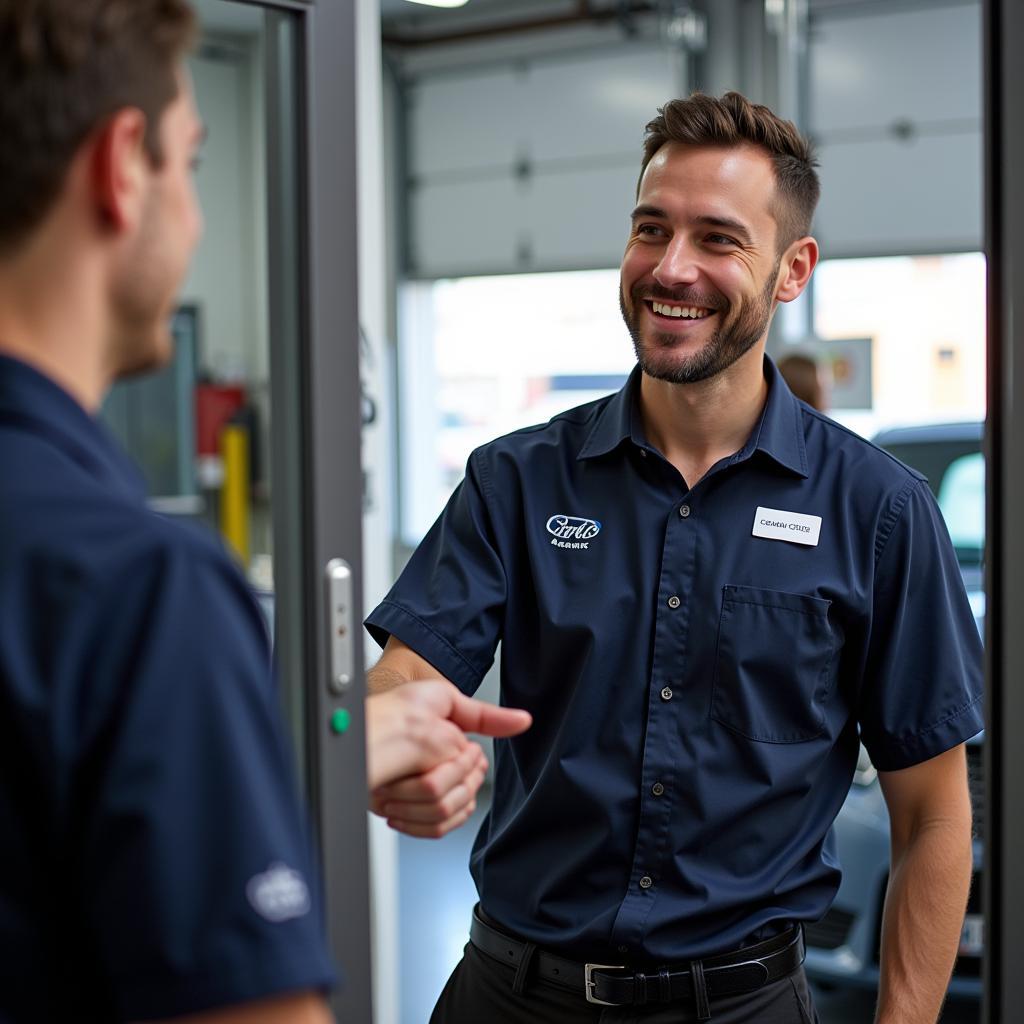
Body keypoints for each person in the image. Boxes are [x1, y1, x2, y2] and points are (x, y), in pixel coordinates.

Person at [366, 91, 983, 1023]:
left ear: (791, 270)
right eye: (650, 229)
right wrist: (395, 746)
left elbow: (933, 813)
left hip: (742, 1004)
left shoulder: (879, 513)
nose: (672, 268)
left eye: (718, 239)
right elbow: (405, 673)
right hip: (510, 994)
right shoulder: (518, 481)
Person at [0, 2, 529, 1022]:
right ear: (121, 165)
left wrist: (307, 754)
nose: (194, 216)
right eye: (190, 162)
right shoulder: (141, 586)